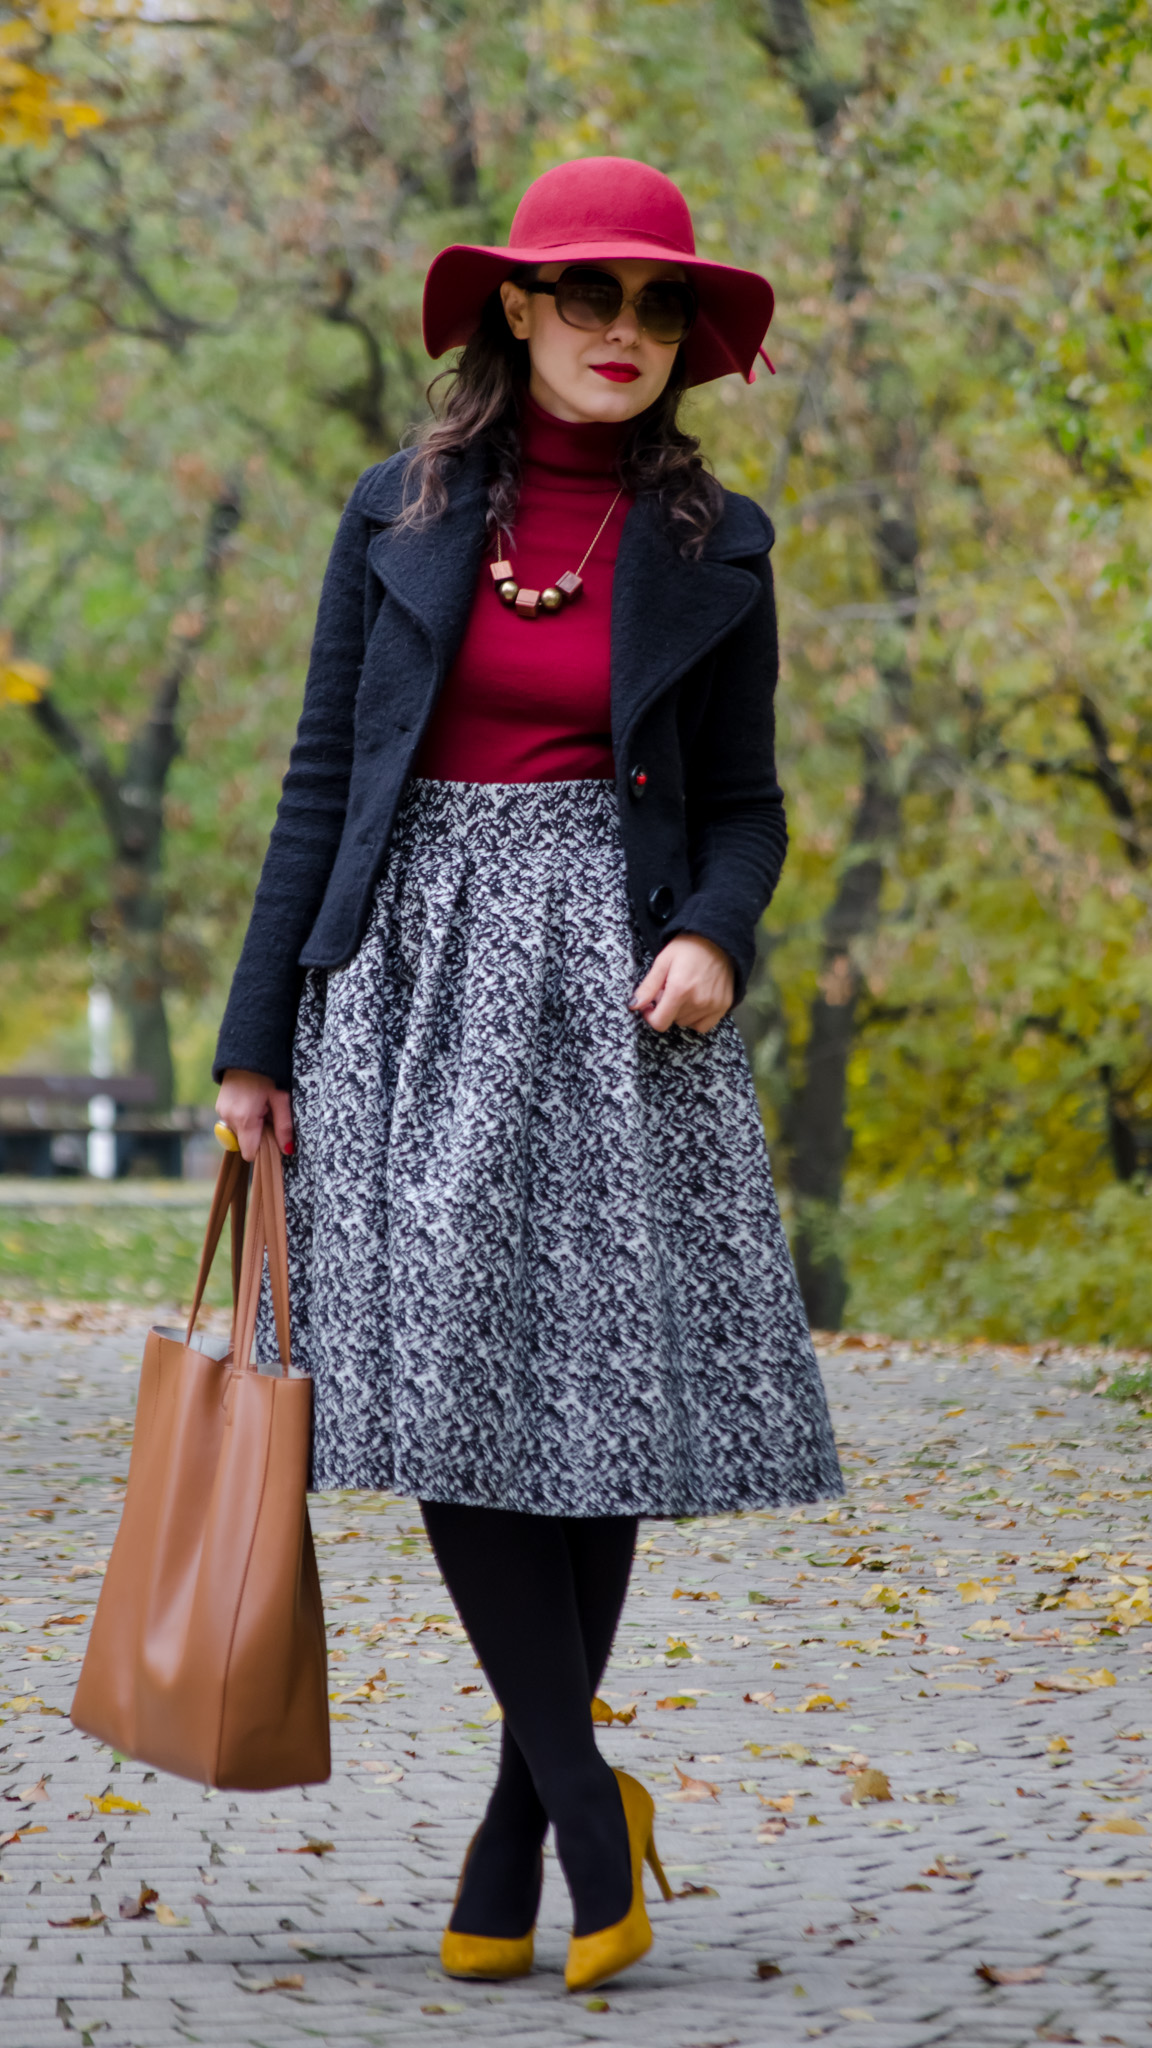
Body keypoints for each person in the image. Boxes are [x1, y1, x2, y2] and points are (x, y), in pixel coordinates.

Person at [213, 154, 842, 1993]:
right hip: (406, 977)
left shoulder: (718, 546)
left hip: (618, 991)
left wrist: (717, 935)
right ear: (514, 307)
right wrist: (258, 1038)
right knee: (447, 1379)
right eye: (589, 297)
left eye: (657, 308)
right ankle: (583, 1801)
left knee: (588, 1396)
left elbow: (747, 807)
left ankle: (517, 1829)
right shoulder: (394, 514)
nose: (624, 333)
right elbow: (322, 776)